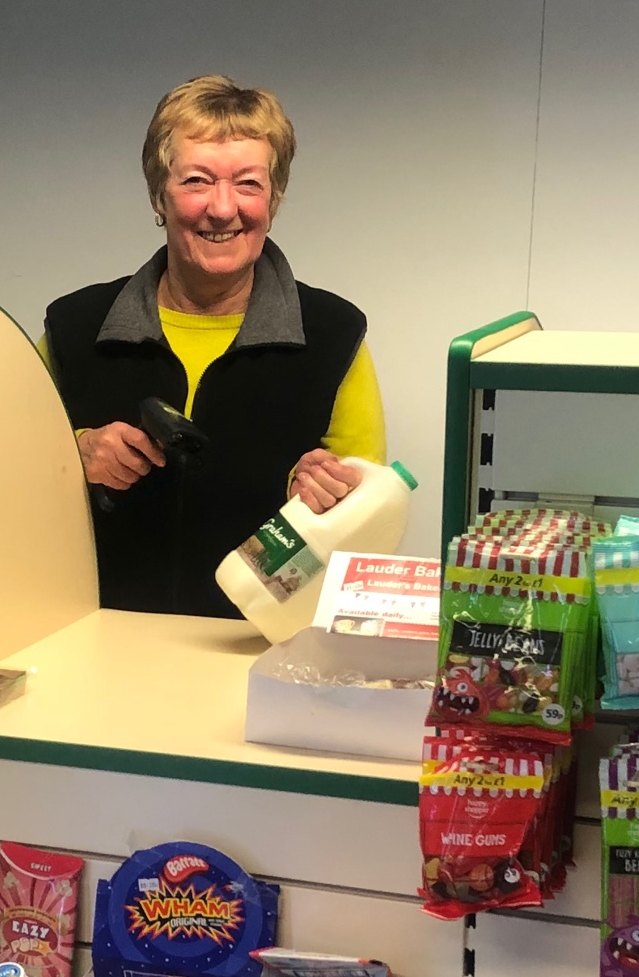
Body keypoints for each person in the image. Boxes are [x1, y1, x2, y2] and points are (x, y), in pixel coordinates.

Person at [45, 75, 387, 616]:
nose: (223, 209)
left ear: (274, 198)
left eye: (248, 184)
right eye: (197, 181)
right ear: (159, 194)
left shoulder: (333, 333)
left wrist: (325, 503)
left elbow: (366, 518)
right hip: (93, 637)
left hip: (261, 648)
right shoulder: (73, 327)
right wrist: (72, 454)